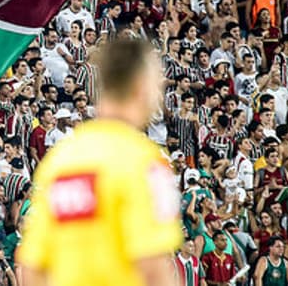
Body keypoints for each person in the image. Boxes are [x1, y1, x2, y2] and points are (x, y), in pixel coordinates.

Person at [18, 38, 181, 286]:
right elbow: (154, 268)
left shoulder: (61, 160)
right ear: (140, 87)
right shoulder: (145, 162)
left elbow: (33, 267)